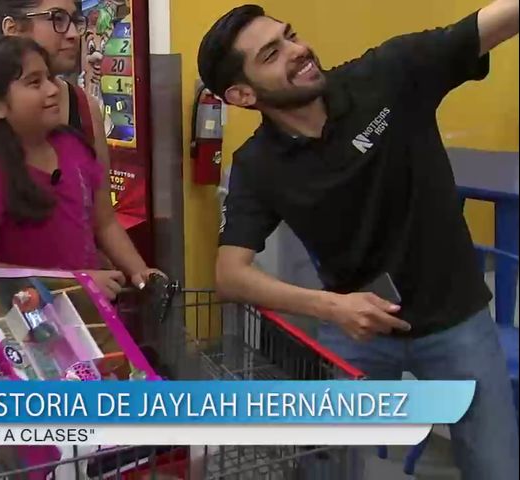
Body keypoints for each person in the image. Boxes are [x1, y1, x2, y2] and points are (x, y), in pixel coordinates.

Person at [198, 2, 518, 478]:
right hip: (357, 331)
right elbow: (230, 275)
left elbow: (490, 23)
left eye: (290, 36)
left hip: (458, 320)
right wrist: (333, 308)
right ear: (242, 94)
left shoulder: (388, 75)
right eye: (271, 54)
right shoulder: (257, 166)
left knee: (496, 467)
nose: (297, 50)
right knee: (328, 469)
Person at [0, 0, 159, 296]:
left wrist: (137, 273)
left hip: (85, 307)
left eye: (75, 20)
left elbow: (102, 219)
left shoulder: (78, 124)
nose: (73, 34)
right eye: (57, 19)